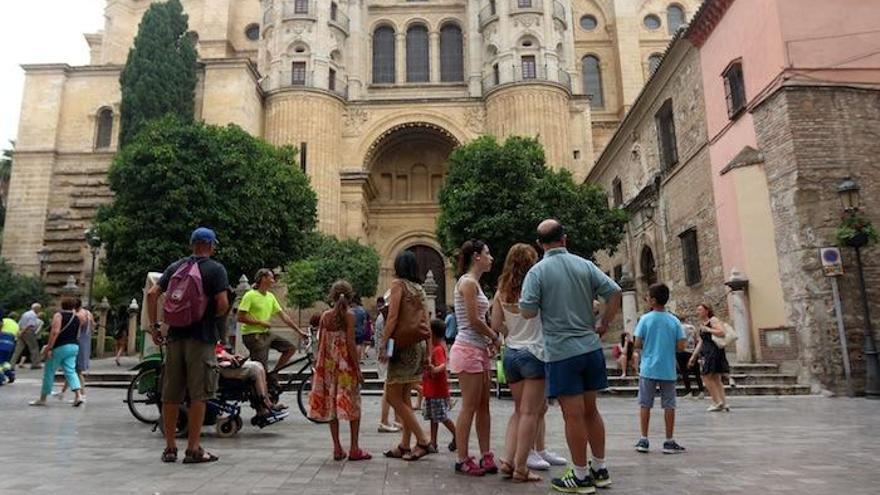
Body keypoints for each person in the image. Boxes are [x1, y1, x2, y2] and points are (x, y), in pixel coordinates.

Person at [520, 219, 621, 493]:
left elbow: (527, 311)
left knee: (572, 416)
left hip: (562, 352)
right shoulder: (584, 265)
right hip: (590, 348)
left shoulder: (537, 272)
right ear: (564, 238)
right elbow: (614, 291)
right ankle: (600, 469)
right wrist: (604, 323)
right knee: (591, 411)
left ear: (540, 244)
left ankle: (579, 476)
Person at [147, 227, 229, 464]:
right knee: (198, 394)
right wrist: (211, 316)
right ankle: (193, 449)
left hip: (174, 337)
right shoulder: (215, 269)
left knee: (171, 394)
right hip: (201, 338)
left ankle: (170, 448)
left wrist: (155, 327)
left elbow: (153, 294)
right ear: (211, 245)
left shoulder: (175, 267)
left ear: (192, 244)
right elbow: (222, 304)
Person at [492, 243, 549, 482]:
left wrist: (512, 332)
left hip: (511, 354)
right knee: (530, 413)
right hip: (534, 352)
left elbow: (495, 325)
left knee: (517, 411)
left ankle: (508, 460)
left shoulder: (501, 290)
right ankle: (521, 467)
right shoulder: (537, 287)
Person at [449, 239, 499, 476]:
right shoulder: (467, 283)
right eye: (488, 253)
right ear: (477, 256)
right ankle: (462, 458)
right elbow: (472, 320)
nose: (491, 258)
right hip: (468, 348)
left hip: (478, 350)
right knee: (469, 406)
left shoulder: (475, 284)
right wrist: (494, 336)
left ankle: (486, 454)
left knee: (483, 406)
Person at [379, 251, 433, 462]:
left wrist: (383, 344)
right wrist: (428, 352)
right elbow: (426, 322)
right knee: (404, 397)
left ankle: (422, 440)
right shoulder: (419, 288)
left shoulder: (398, 285)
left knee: (392, 396)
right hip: (417, 345)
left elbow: (392, 317)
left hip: (402, 347)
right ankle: (404, 445)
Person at [309, 280, 370, 461]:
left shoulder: (325, 316)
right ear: (350, 296)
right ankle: (354, 448)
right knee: (353, 405)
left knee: (331, 406)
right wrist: (357, 369)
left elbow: (320, 344)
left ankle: (337, 448)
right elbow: (351, 343)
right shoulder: (349, 316)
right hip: (345, 367)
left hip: (327, 367)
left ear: (331, 296)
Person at [633, 283, 687, 455]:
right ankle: (669, 440)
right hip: (667, 368)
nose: (646, 299)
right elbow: (681, 345)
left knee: (645, 404)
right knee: (669, 405)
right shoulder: (674, 320)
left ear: (653, 300)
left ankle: (644, 439)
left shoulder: (645, 319)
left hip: (648, 367)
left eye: (648, 297)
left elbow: (637, 343)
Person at [238, 269, 308, 382]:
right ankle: (262, 395)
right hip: (253, 335)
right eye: (271, 278)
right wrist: (260, 322)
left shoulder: (270, 297)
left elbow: (284, 316)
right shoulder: (250, 295)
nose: (273, 281)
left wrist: (299, 331)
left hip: (265, 333)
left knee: (290, 348)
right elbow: (240, 317)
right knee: (260, 370)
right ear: (263, 278)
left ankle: (274, 374)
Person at [29, 297, 85, 407]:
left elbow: (55, 332)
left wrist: (49, 347)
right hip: (74, 346)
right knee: (71, 371)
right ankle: (78, 396)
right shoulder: (78, 318)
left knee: (49, 371)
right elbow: (77, 334)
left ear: (62, 305)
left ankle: (43, 398)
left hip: (60, 346)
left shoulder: (59, 315)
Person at [216, 342, 286, 420]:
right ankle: (264, 407)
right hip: (219, 367)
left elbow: (219, 350)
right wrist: (227, 357)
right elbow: (216, 353)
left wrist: (231, 356)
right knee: (255, 370)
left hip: (222, 362)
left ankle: (268, 403)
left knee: (258, 365)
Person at [422, 319, 457, 453]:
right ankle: (433, 442)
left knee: (442, 416)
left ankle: (457, 436)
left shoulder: (438, 349)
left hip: (437, 391)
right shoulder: (432, 350)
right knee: (433, 417)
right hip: (431, 390)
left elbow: (443, 366)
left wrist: (434, 370)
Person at [690, 303, 730, 412]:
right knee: (716, 378)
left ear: (707, 311)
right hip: (707, 351)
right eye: (697, 310)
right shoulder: (701, 324)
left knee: (706, 376)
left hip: (713, 351)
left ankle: (717, 402)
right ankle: (723, 402)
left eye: (700, 309)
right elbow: (701, 341)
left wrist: (708, 330)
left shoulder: (713, 320)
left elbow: (722, 332)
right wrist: (694, 356)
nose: (698, 312)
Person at [58, 299, 95, 401]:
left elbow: (76, 330)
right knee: (73, 369)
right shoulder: (88, 313)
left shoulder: (78, 316)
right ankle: (62, 392)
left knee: (76, 370)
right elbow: (93, 327)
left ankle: (81, 395)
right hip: (86, 342)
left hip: (78, 343)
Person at [375, 296, 401, 433]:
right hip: (387, 356)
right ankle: (384, 421)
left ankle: (398, 420)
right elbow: (387, 337)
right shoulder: (386, 318)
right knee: (389, 388)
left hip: (387, 355)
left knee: (393, 388)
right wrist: (387, 352)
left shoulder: (383, 316)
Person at [675, 314, 703, 397]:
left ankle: (689, 391)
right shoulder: (692, 328)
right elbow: (697, 339)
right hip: (692, 351)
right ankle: (701, 391)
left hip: (681, 351)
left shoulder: (677, 328)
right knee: (697, 372)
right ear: (685, 319)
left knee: (684, 372)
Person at [12, 304, 43, 369]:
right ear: (37, 309)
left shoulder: (25, 313)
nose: (39, 310)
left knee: (18, 349)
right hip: (28, 332)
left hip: (21, 331)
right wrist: (23, 331)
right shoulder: (33, 315)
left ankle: (11, 364)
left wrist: (19, 332)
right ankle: (35, 364)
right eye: (39, 309)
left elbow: (19, 323)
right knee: (34, 348)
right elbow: (30, 325)